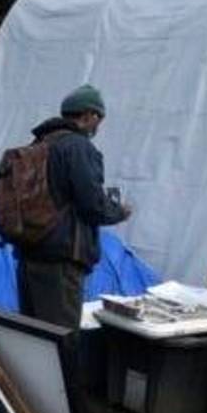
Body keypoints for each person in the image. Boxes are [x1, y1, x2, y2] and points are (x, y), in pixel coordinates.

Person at [16, 84, 130, 329]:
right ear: (88, 115)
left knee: (34, 333)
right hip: (61, 260)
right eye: (99, 117)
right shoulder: (78, 147)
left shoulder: (39, 143)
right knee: (61, 337)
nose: (98, 125)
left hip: (29, 252)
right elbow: (92, 204)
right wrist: (119, 211)